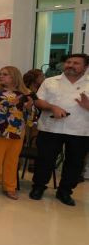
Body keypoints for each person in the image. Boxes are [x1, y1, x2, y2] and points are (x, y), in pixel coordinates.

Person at [29, 53, 89, 206]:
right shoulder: (50, 81)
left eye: (76, 63)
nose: (71, 65)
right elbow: (38, 101)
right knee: (44, 160)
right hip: (50, 127)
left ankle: (65, 191)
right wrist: (52, 107)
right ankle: (38, 187)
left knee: (75, 163)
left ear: (85, 67)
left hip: (80, 130)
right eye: (69, 62)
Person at [0, 66, 35, 200]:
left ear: (14, 76)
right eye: (0, 74)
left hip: (17, 131)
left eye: (5, 74)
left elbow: (32, 116)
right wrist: (8, 103)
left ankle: (10, 187)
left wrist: (29, 108)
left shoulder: (26, 93)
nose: (1, 76)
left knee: (12, 160)